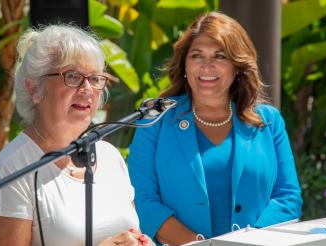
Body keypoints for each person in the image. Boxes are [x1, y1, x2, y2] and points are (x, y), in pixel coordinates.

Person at [127, 12, 303, 245]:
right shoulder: (155, 119)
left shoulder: (269, 122)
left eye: (220, 56)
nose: (207, 65)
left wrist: (248, 242)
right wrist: (201, 244)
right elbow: (142, 199)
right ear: (184, 65)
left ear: (237, 66)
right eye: (197, 56)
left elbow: (288, 198)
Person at [0, 25, 153, 246]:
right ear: (34, 89)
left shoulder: (109, 156)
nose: (87, 89)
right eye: (73, 76)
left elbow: (131, 233)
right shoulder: (11, 171)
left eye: (95, 78)